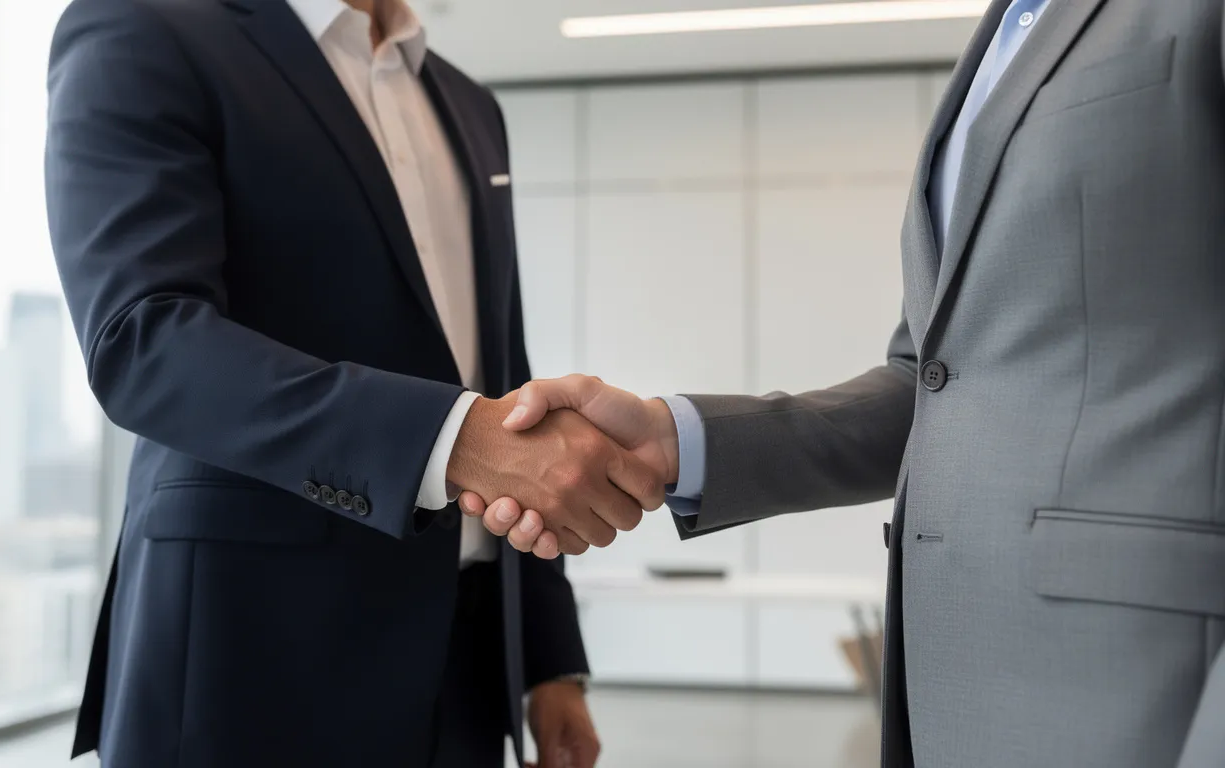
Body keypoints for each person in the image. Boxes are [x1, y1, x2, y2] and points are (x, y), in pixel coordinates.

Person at [462, 1, 1225, 766]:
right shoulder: (1004, 34)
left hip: (1141, 695)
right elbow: (932, 383)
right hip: (956, 685)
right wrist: (676, 443)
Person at [45, 0, 665, 765]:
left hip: (465, 669)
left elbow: (502, 376)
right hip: (249, 657)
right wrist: (453, 441)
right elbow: (143, 342)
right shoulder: (143, 28)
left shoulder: (470, 105)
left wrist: (547, 659)